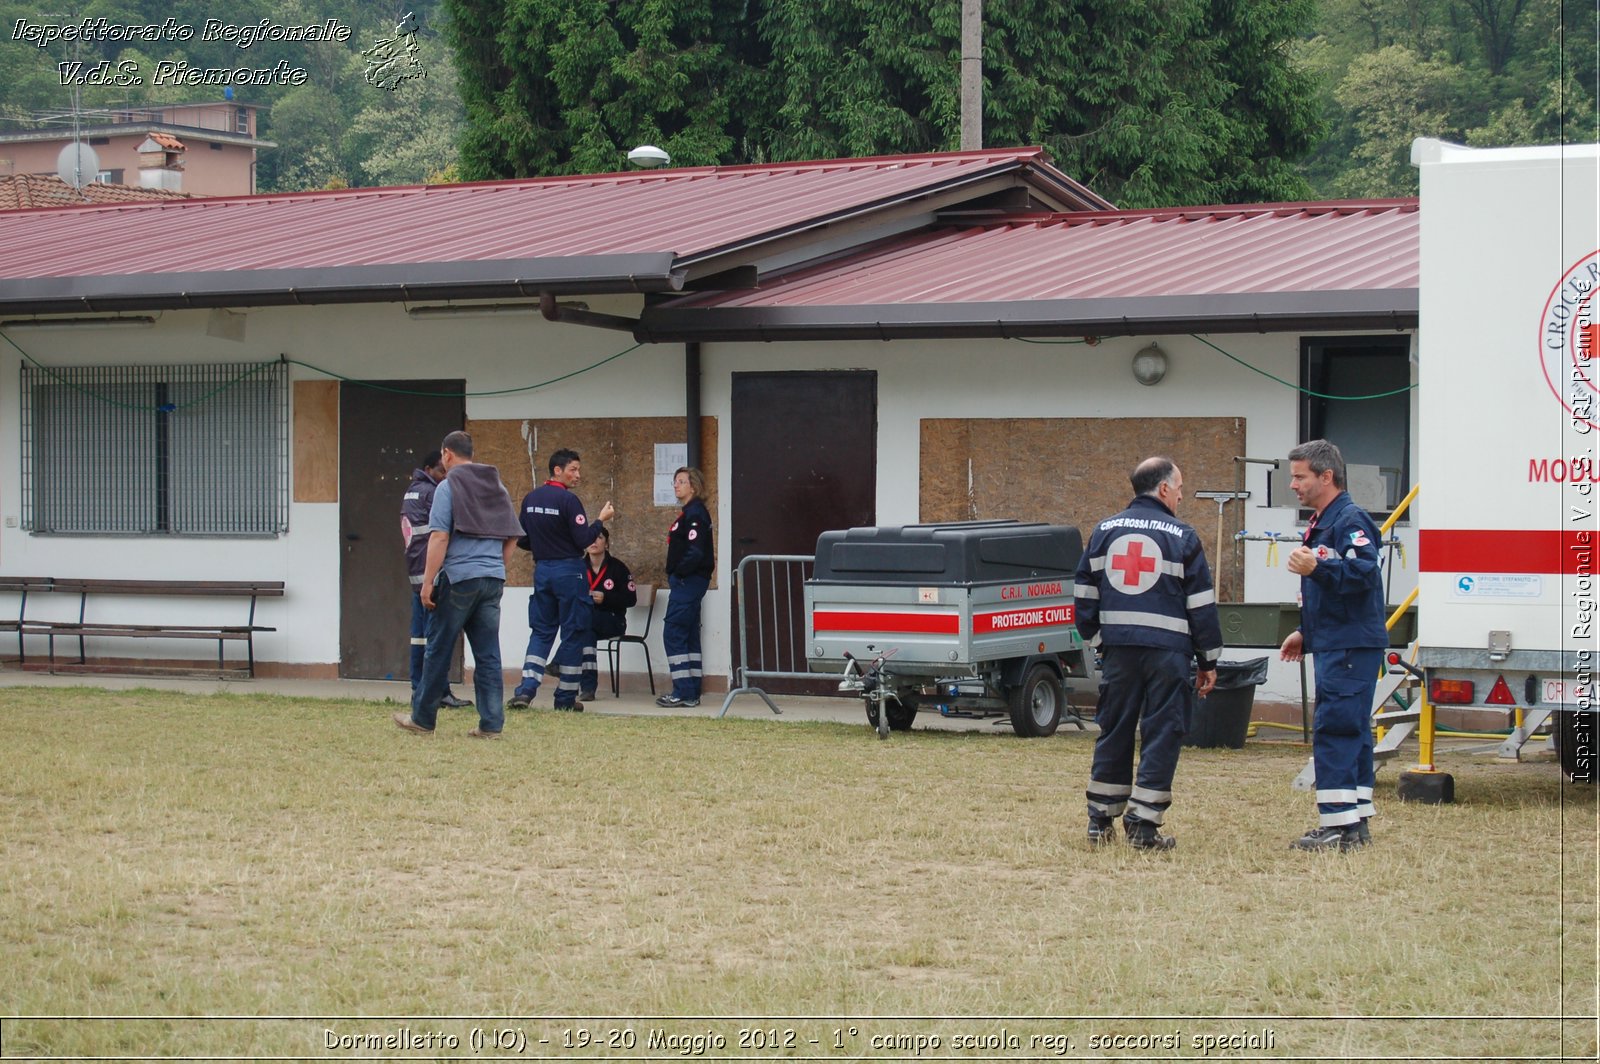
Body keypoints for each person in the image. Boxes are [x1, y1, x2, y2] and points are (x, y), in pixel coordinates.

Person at [1074, 457, 1222, 851]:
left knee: (1115, 728)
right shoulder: (1183, 536)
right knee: (1162, 732)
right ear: (1162, 489)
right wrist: (1208, 660)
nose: (1180, 495)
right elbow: (1202, 605)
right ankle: (1143, 827)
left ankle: (1100, 820)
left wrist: (1099, 640)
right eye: (1178, 488)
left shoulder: (1103, 530)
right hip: (1168, 656)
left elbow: (1083, 595)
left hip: (1119, 654)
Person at [1279, 439, 1387, 851]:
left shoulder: (1350, 519)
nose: (1293, 485)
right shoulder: (1325, 519)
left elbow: (1363, 575)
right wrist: (1307, 632)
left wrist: (1317, 566)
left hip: (1349, 646)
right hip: (1335, 641)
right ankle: (1354, 823)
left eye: (1299, 476)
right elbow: (1337, 596)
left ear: (1327, 477)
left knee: (1336, 728)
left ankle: (1338, 829)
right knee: (1353, 730)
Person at [393, 431, 522, 739]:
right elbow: (514, 535)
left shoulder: (448, 487)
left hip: (459, 579)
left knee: (438, 649)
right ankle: (491, 724)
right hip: (492, 580)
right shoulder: (497, 485)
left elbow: (439, 537)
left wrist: (427, 583)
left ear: (447, 455)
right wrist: (496, 566)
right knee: (488, 654)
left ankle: (422, 719)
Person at [506, 448, 614, 711]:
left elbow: (521, 538)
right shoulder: (568, 501)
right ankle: (565, 699)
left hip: (542, 570)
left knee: (541, 631)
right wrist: (600, 520)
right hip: (570, 571)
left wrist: (545, 547)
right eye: (573, 469)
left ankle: (525, 690)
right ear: (557, 470)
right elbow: (584, 540)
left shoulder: (531, 498)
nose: (578, 475)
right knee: (575, 630)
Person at [401, 450, 470, 709]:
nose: (446, 477)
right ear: (429, 468)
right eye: (442, 471)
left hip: (417, 571)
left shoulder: (412, 490)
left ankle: (420, 689)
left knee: (420, 636)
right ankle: (436, 692)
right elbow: (444, 531)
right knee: (437, 636)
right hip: (433, 572)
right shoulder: (433, 492)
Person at [657, 466, 713, 708]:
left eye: (681, 481)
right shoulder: (690, 513)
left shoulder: (695, 514)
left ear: (694, 486)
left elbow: (695, 551)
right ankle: (691, 690)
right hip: (688, 582)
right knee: (688, 634)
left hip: (688, 582)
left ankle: (683, 691)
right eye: (675, 481)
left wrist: (679, 573)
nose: (676, 485)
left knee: (674, 633)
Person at [577, 526, 637, 700]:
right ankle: (587, 689)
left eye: (599, 538)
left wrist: (606, 598)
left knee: (583, 626)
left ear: (607, 543)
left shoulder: (618, 568)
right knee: (586, 633)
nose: (594, 542)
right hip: (587, 622)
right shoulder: (578, 568)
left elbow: (631, 599)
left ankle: (558, 662)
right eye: (590, 538)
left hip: (613, 621)